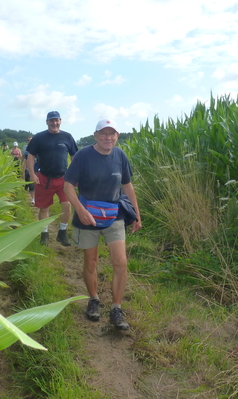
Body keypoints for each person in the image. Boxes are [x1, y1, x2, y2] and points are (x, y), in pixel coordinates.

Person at [63, 118, 142, 330]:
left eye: (112, 133)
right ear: (96, 136)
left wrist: (136, 213)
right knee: (91, 262)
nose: (108, 137)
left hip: (114, 215)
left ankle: (116, 308)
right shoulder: (83, 156)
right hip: (87, 216)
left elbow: (127, 186)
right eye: (103, 133)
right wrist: (81, 210)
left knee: (121, 262)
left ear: (117, 136)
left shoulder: (120, 155)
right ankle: (94, 299)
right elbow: (68, 186)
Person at [26, 111, 78, 246]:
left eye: (56, 120)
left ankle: (62, 233)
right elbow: (30, 156)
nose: (54, 123)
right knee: (44, 208)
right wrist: (32, 174)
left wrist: (75, 175)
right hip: (44, 178)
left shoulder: (67, 137)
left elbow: (74, 157)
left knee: (67, 205)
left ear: (60, 121)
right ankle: (44, 234)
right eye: (51, 120)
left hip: (63, 178)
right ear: (47, 122)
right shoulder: (39, 137)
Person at [22, 136, 35, 204]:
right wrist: (23, 171)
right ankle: (33, 198)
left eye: (31, 140)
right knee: (31, 185)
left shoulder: (38, 148)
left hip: (37, 170)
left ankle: (36, 197)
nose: (30, 141)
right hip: (28, 170)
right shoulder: (26, 150)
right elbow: (25, 160)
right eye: (28, 140)